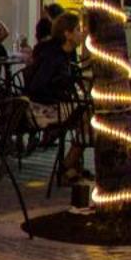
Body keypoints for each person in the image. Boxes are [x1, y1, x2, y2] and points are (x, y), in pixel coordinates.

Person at [22, 10, 87, 185]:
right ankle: (68, 166)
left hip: (55, 104)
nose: (82, 33)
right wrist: (62, 96)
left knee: (87, 116)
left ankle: (72, 166)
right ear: (67, 34)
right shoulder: (53, 56)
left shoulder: (66, 53)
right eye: (78, 29)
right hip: (41, 108)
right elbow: (38, 86)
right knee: (88, 120)